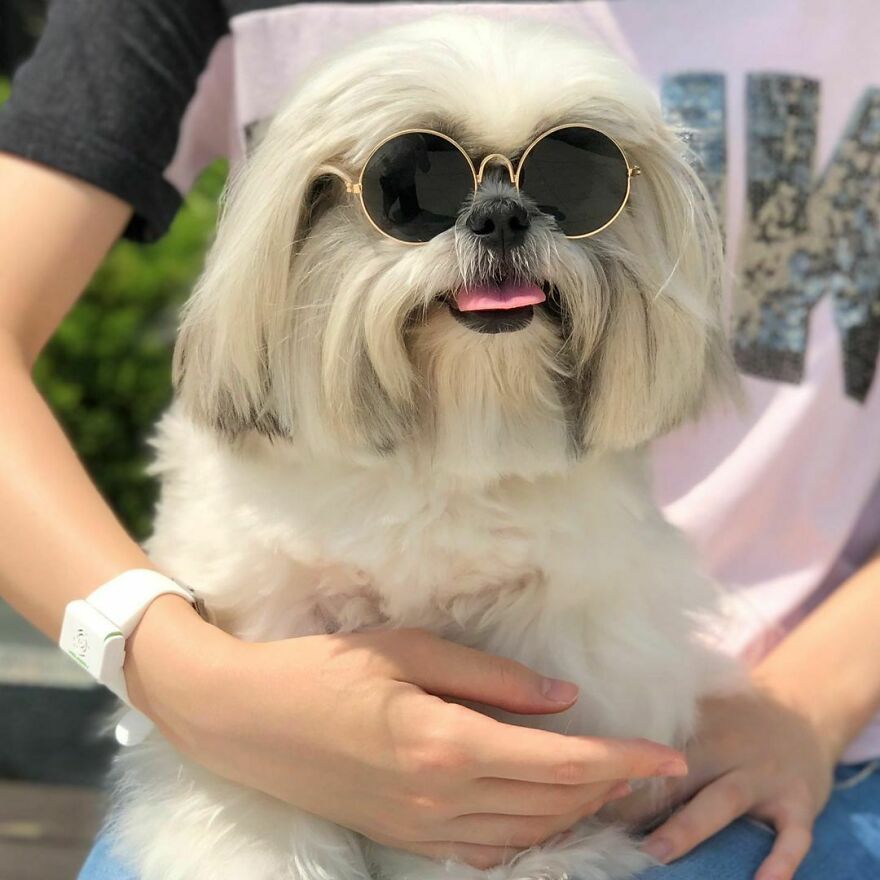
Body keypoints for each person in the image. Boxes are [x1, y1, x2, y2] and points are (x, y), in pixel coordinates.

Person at [0, 2, 877, 879]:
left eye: (576, 185)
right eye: (410, 189)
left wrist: (803, 704)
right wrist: (190, 681)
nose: (499, 221)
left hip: (762, 724)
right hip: (241, 730)